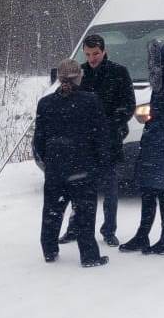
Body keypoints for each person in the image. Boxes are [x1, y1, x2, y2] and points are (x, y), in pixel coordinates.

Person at [58, 34, 135, 247]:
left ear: (104, 51)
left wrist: (110, 124)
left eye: (96, 54)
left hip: (109, 140)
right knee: (79, 188)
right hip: (82, 143)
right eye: (88, 54)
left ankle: (109, 231)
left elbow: (129, 105)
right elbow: (63, 99)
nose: (92, 58)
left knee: (110, 189)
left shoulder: (119, 72)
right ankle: (75, 228)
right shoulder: (78, 73)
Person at [32, 59, 111, 267]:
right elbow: (101, 136)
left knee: (52, 210)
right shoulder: (90, 101)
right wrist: (101, 163)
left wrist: (48, 161)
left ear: (58, 79)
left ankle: (49, 250)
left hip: (55, 168)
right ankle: (89, 256)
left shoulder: (45, 103)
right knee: (85, 213)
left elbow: (39, 140)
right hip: (82, 168)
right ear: (79, 78)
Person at [120, 43, 164, 256]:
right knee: (149, 191)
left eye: (161, 61)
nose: (157, 66)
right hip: (155, 144)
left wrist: (152, 126)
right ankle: (144, 234)